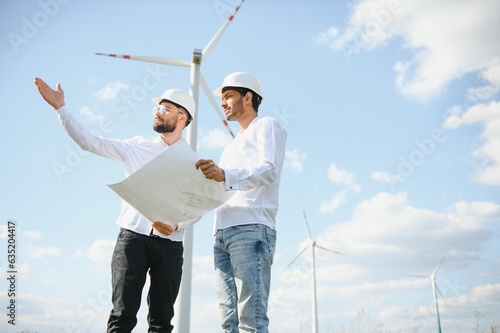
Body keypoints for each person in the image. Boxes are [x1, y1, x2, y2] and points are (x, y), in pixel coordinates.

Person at [34, 77, 200, 333]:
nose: (158, 112)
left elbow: (197, 207)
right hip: (131, 241)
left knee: (161, 322)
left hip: (171, 246)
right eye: (158, 107)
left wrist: (177, 224)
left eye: (165, 109)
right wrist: (61, 108)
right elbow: (89, 142)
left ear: (182, 117)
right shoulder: (136, 147)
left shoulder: (193, 161)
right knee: (121, 317)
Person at [195, 72, 287, 332]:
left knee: (251, 319)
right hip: (221, 235)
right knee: (228, 321)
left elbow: (269, 170)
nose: (223, 103)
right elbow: (219, 192)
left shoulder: (267, 125)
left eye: (228, 97)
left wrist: (225, 174)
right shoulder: (229, 147)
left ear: (248, 98)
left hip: (251, 229)